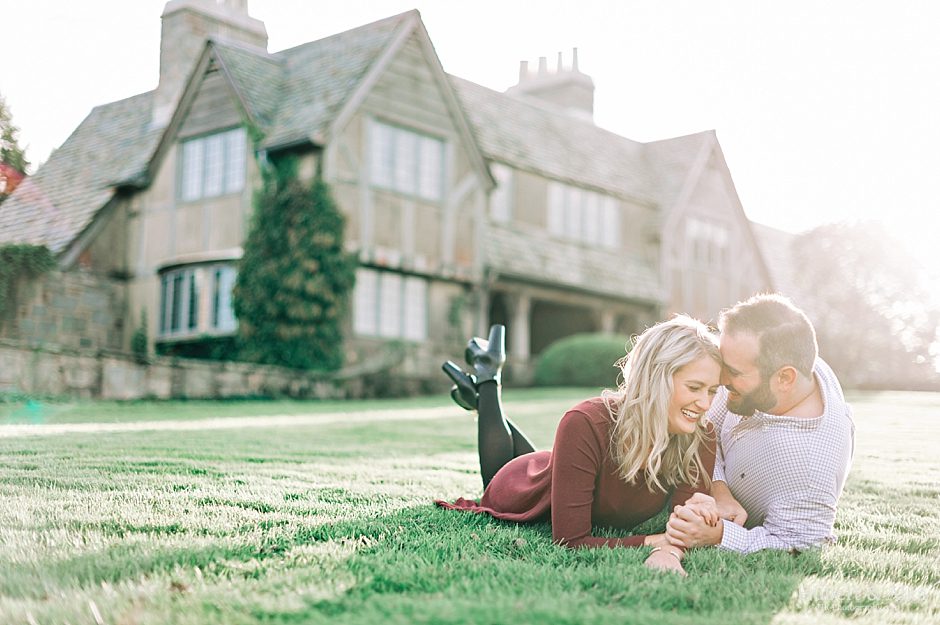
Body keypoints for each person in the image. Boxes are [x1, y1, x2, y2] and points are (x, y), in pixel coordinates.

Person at [437, 316, 722, 576]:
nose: (706, 404)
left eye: (712, 391)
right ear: (655, 380)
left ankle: (482, 401)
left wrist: (673, 547)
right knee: (505, 477)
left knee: (548, 464)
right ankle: (489, 379)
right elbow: (571, 541)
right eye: (694, 388)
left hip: (555, 467)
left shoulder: (701, 434)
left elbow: (684, 527)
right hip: (523, 488)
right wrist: (653, 541)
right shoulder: (584, 422)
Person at [664, 293, 855, 554]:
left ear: (785, 379)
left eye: (734, 372)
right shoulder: (784, 364)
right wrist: (719, 489)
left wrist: (720, 534)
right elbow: (706, 428)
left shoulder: (812, 467)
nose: (720, 378)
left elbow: (802, 542)